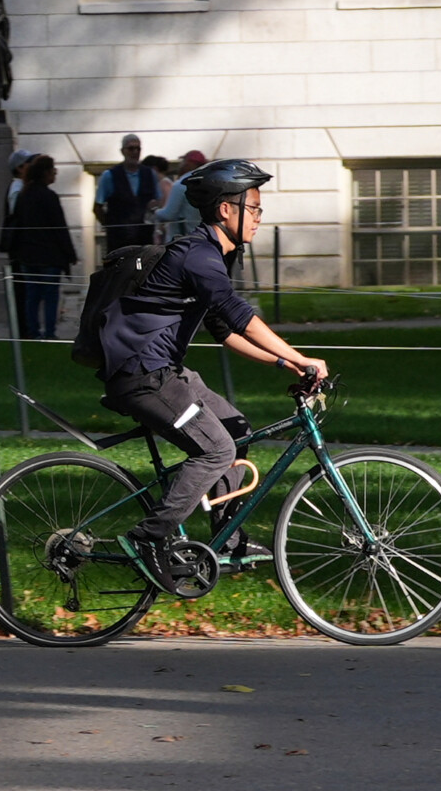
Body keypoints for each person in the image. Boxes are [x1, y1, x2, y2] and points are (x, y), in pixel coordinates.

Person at [92, 161, 330, 587]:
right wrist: (305, 357)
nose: (259, 218)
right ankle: (148, 538)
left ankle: (227, 538)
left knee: (236, 429)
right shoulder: (198, 255)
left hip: (166, 373)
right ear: (225, 209)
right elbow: (241, 319)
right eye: (253, 208)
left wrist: (286, 364)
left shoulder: (216, 254)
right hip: (143, 375)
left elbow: (224, 332)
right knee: (216, 451)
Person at [0, 154, 77, 339]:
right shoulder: (49, 196)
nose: (55, 173)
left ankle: (33, 331)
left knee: (32, 295)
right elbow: (59, 227)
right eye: (52, 169)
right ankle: (49, 333)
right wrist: (69, 253)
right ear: (45, 172)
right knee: (50, 297)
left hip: (28, 254)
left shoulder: (24, 195)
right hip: (48, 255)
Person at [94, 134, 161, 250]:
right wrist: (111, 226)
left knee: (141, 267)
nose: (135, 152)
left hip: (143, 239)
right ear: (122, 151)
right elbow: (97, 207)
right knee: (121, 267)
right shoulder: (109, 176)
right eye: (131, 148)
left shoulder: (149, 174)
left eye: (138, 148)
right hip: (119, 242)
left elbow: (158, 201)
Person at [153, 149, 209, 240]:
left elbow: (168, 215)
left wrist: (155, 211)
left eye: (183, 161)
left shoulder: (181, 185)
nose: (180, 164)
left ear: (188, 163)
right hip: (203, 239)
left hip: (181, 241)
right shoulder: (208, 184)